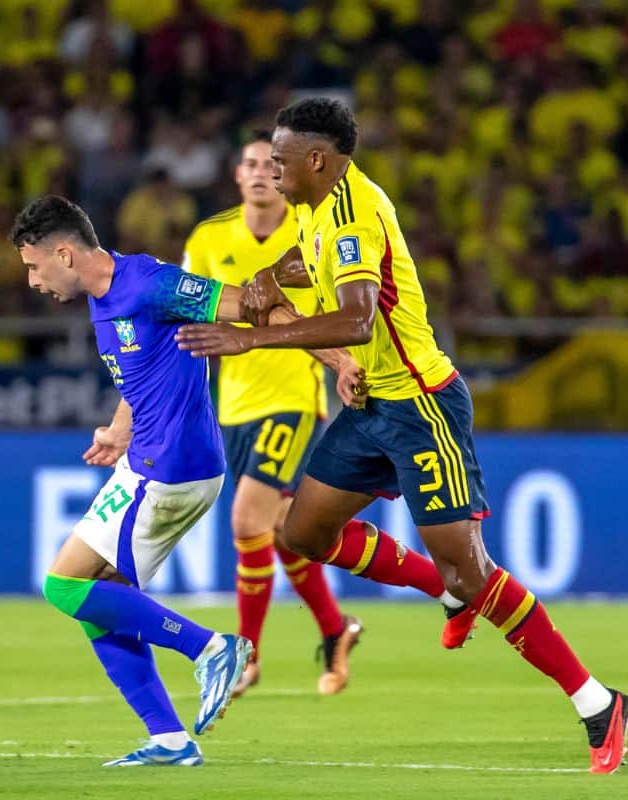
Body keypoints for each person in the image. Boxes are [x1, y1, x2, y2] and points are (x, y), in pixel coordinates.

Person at [175, 98, 628, 774]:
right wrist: (272, 278)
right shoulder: (318, 211)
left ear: (316, 159)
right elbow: (312, 263)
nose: (270, 169)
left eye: (279, 158)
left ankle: (598, 702)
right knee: (299, 535)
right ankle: (446, 591)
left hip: (422, 406)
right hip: (371, 407)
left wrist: (251, 337)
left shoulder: (355, 214)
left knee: (472, 570)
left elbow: (358, 319)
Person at [12, 195, 363, 766]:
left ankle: (213, 648)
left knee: (64, 587)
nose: (32, 281)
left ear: (64, 254)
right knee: (100, 603)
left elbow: (253, 307)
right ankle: (171, 740)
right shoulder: (104, 299)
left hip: (173, 466)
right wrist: (118, 429)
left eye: (34, 266)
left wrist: (339, 361)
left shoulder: (151, 283)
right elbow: (139, 375)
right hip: (149, 458)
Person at [183, 131, 467, 697]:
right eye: (251, 163)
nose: (264, 172)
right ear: (237, 175)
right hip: (234, 404)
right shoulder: (210, 238)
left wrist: (337, 363)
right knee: (288, 532)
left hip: (292, 398)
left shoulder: (312, 225)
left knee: (246, 521)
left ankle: (247, 657)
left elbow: (307, 320)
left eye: (272, 163)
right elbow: (191, 311)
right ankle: (348, 625)